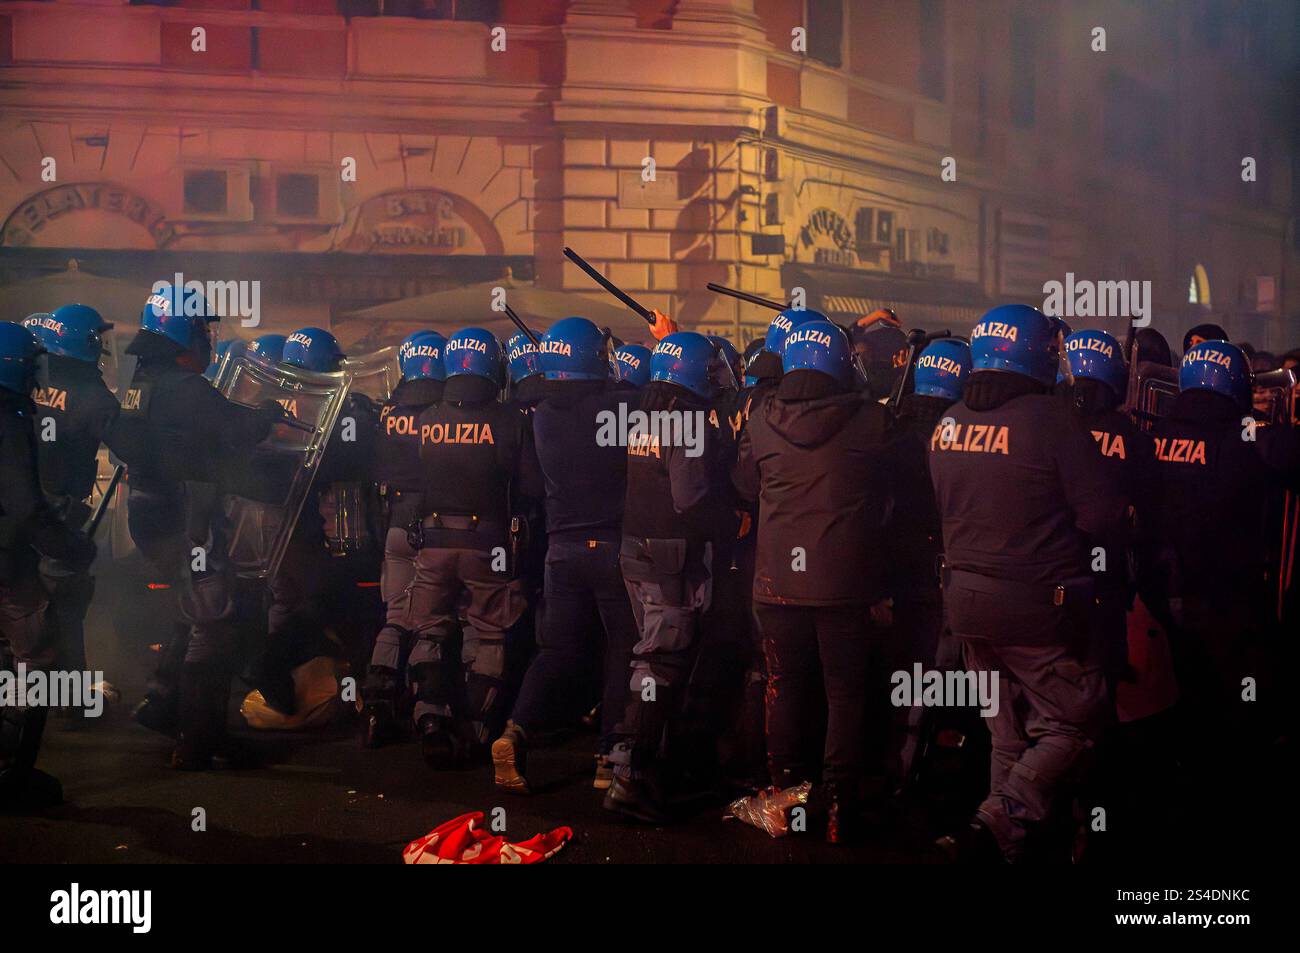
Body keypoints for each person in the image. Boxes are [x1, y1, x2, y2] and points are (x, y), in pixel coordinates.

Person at [929, 304, 1127, 863]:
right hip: (1036, 607)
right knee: (1075, 721)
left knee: (1008, 736)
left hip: (964, 605)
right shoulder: (1053, 420)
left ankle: (1001, 848)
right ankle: (995, 825)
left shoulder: (949, 421)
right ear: (1040, 356)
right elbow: (1102, 516)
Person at [106, 284, 280, 768]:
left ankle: (163, 703)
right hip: (186, 518)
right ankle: (201, 741)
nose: (207, 337)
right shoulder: (185, 388)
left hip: (150, 511)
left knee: (186, 611)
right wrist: (267, 414)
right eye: (203, 329)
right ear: (185, 333)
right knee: (214, 622)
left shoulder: (141, 380)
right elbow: (235, 427)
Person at [733, 320, 893, 843]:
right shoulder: (872, 421)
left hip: (777, 581)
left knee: (784, 689)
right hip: (845, 583)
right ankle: (838, 809)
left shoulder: (759, 420)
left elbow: (742, 485)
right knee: (845, 694)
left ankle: (784, 803)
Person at [1151, 341, 1300, 817]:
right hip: (1226, 606)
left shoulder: (1151, 434)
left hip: (1157, 601)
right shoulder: (1247, 439)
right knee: (1239, 711)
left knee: (1176, 709)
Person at [492, 317, 639, 794]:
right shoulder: (621, 407)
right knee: (622, 647)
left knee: (557, 649)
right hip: (614, 547)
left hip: (563, 549)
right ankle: (609, 756)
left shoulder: (544, 415)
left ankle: (516, 729)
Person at [604, 331, 733, 823]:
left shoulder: (645, 414)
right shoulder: (688, 421)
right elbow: (690, 499)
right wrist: (733, 519)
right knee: (659, 664)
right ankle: (629, 777)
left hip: (635, 550)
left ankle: (646, 770)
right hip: (671, 561)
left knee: (652, 655)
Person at [406, 327, 542, 767]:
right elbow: (530, 487)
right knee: (488, 632)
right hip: (489, 543)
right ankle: (476, 728)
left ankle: (430, 719)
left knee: (430, 629)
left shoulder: (427, 418)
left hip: (431, 540)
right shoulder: (510, 420)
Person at [0, 322, 97, 806]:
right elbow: (23, 506)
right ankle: (14, 775)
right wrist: (67, 546)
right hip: (6, 565)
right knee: (35, 657)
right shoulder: (10, 418)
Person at [883, 338, 971, 790]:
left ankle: (893, 768)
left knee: (900, 670)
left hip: (897, 569)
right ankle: (920, 772)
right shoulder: (964, 437)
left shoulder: (892, 430)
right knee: (938, 674)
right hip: (943, 571)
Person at [22, 305, 118, 676]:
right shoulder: (93, 395)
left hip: (19, 510)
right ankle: (71, 700)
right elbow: (130, 447)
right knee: (67, 602)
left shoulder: (28, 381)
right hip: (59, 513)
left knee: (22, 605)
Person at [361, 330, 447, 747]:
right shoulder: (447, 413)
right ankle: (428, 713)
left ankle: (377, 707)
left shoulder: (388, 413)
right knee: (431, 622)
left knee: (395, 617)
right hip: (434, 526)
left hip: (394, 523)